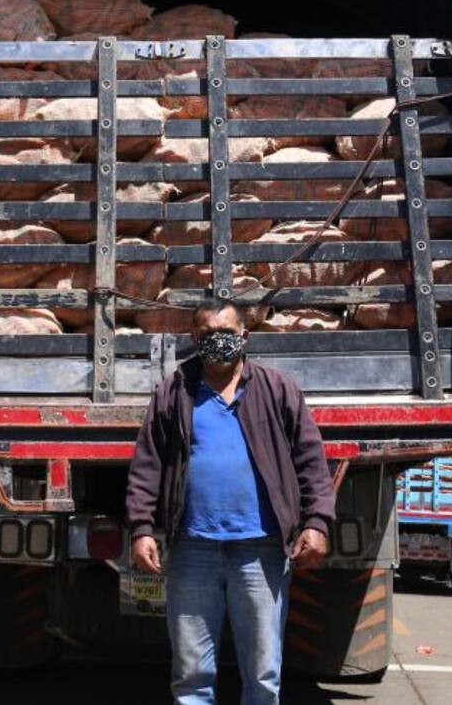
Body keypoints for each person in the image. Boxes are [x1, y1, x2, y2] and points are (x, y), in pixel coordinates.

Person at [125, 298, 335, 704]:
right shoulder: (175, 390)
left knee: (262, 670)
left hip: (261, 549)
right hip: (193, 549)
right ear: (193, 338)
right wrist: (141, 527)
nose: (216, 341)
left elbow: (310, 459)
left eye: (225, 333)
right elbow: (148, 461)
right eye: (206, 335)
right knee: (191, 672)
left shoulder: (277, 389)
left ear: (244, 336)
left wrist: (316, 522)